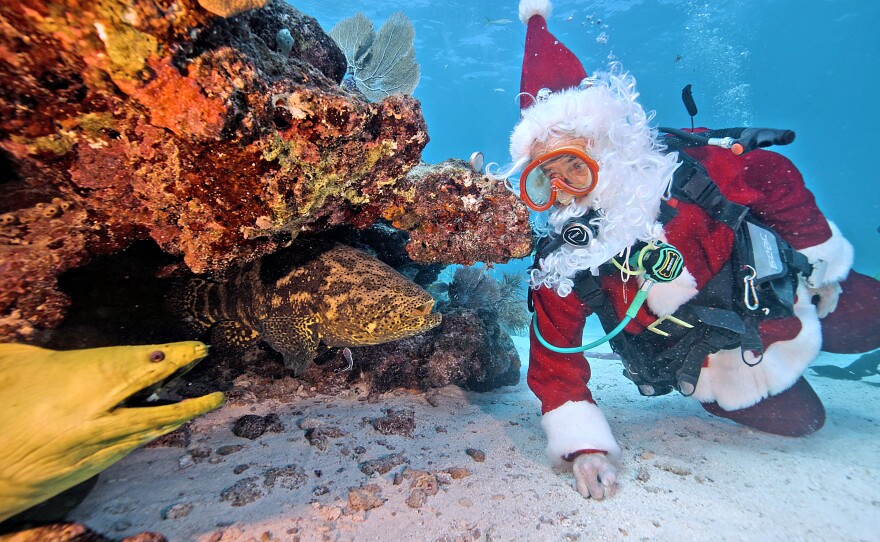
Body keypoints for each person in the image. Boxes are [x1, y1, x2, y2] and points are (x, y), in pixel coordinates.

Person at [492, 0, 880, 500]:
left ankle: (830, 310)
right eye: (546, 180)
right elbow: (553, 355)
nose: (568, 190)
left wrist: (819, 257)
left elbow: (770, 174)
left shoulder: (694, 174)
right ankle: (734, 392)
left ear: (606, 143)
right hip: (718, 366)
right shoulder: (565, 261)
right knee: (806, 422)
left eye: (573, 165)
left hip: (788, 295)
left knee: (868, 314)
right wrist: (583, 446)